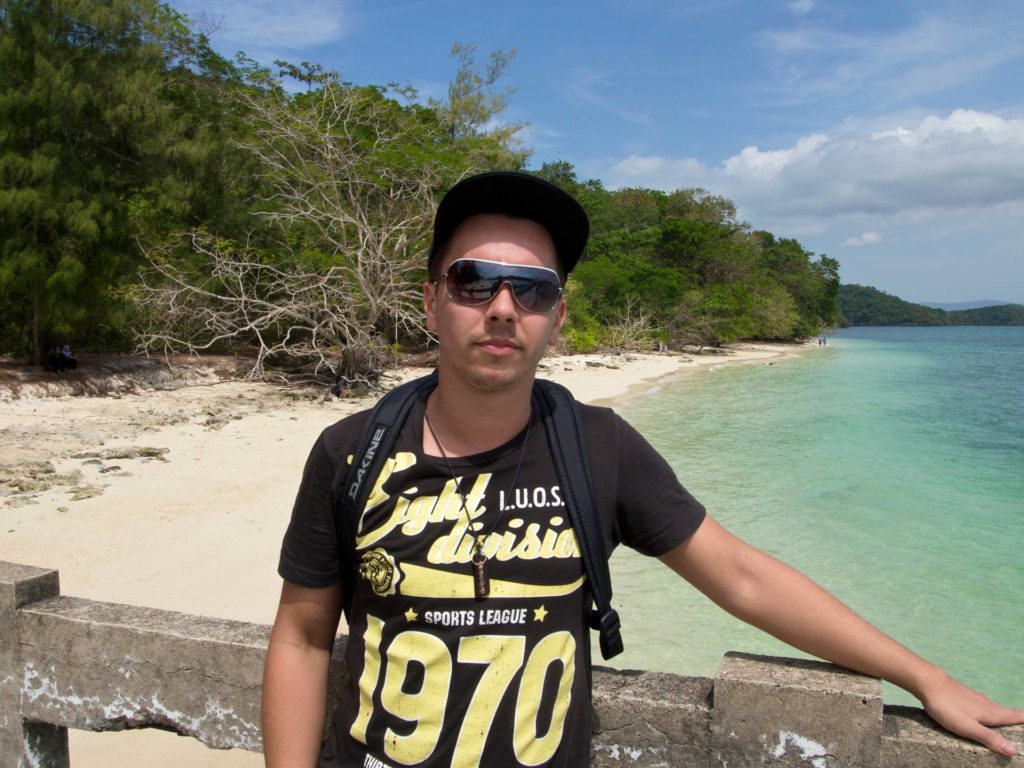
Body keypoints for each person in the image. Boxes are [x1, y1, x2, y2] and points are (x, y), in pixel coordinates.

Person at [262, 171, 1022, 767]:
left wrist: (927, 678)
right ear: (432, 304)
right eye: (472, 281)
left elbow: (742, 578)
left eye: (531, 289)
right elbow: (301, 639)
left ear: (557, 319)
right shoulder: (350, 452)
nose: (501, 307)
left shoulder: (598, 446)